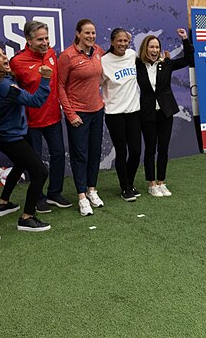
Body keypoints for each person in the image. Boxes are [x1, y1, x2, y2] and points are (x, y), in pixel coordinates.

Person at [0, 52, 52, 232]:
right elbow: (36, 101)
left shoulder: (2, 81)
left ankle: (3, 203)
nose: (4, 57)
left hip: (3, 134)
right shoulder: (6, 85)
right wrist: (45, 79)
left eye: (2, 53)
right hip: (9, 137)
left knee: (21, 164)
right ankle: (27, 217)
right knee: (40, 172)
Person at [9, 21, 71, 212]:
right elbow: (13, 93)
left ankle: (54, 193)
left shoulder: (52, 54)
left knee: (59, 154)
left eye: (46, 38)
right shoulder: (17, 62)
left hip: (53, 117)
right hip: (31, 122)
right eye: (40, 39)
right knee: (35, 161)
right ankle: (38, 197)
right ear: (28, 40)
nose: (45, 43)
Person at [135, 28, 193, 197]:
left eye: (157, 47)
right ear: (145, 49)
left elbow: (189, 58)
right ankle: (151, 184)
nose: (154, 50)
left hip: (166, 112)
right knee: (150, 149)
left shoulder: (166, 64)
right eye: (151, 47)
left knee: (164, 149)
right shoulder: (137, 64)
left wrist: (185, 40)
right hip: (147, 113)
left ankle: (161, 182)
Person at [58, 19, 106, 216]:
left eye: (93, 33)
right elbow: (60, 86)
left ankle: (91, 190)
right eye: (87, 33)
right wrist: (70, 114)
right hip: (78, 113)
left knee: (95, 152)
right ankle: (81, 196)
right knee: (80, 155)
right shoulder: (67, 56)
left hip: (97, 111)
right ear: (78, 34)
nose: (91, 37)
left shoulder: (98, 51)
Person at [101, 28, 141, 201]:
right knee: (121, 151)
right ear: (112, 42)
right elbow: (97, 84)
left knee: (136, 151)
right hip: (114, 113)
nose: (123, 44)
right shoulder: (103, 61)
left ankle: (130, 183)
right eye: (119, 41)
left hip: (133, 111)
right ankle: (125, 187)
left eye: (126, 41)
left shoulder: (132, 55)